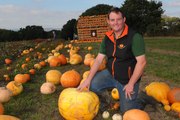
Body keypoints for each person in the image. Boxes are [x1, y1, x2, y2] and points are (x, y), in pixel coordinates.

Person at [77, 7, 156, 114]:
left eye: (118, 19)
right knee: (92, 84)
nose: (116, 23)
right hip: (111, 74)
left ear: (124, 19)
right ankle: (105, 104)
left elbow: (142, 62)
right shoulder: (107, 37)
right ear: (108, 22)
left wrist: (131, 84)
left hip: (127, 80)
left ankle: (142, 99)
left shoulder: (134, 37)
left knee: (127, 112)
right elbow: (98, 59)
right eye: (113, 20)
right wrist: (88, 79)